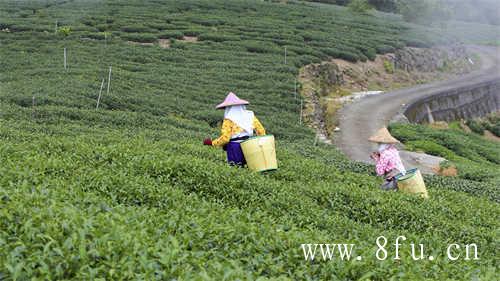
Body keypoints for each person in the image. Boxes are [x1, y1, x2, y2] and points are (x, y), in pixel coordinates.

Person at [203, 92, 266, 166]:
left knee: (236, 168)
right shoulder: (250, 116)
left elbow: (226, 138)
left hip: (235, 148)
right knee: (249, 169)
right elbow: (261, 132)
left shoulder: (229, 119)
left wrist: (212, 143)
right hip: (249, 145)